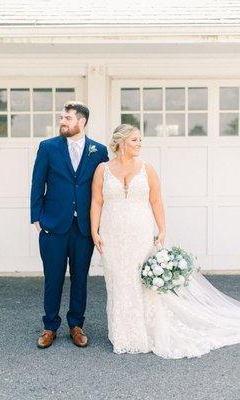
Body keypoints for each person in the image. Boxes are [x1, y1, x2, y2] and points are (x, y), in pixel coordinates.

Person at [90, 123, 240, 358]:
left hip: (140, 233)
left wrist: (162, 230)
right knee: (118, 282)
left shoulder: (147, 169)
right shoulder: (103, 169)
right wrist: (94, 231)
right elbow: (97, 201)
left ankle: (148, 333)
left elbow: (156, 201)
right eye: (135, 140)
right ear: (121, 143)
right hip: (112, 234)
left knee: (141, 283)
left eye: (140, 140)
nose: (139, 144)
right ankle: (124, 335)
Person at [30, 101, 109, 349]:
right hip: (53, 225)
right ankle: (50, 326)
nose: (62, 122)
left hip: (83, 227)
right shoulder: (48, 147)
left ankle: (76, 325)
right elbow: (37, 183)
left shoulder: (100, 150)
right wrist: (36, 218)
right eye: (61, 118)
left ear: (81, 121)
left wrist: (99, 224)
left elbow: (102, 190)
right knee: (52, 278)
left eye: (67, 118)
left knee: (80, 279)